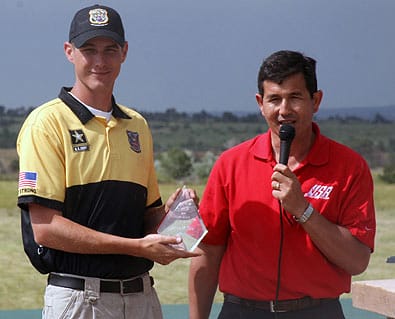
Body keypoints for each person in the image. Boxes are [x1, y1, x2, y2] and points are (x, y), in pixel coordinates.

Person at [17, 4, 198, 319]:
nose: (100, 61)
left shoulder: (137, 126)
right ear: (69, 51)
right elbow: (45, 228)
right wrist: (136, 247)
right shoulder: (46, 123)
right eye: (89, 50)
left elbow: (149, 218)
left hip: (142, 297)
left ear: (125, 52)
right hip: (78, 299)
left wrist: (174, 221)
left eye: (110, 50)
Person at [188, 50, 376, 319]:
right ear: (260, 103)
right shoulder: (231, 164)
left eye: (295, 97)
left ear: (316, 100)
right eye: (274, 99)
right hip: (242, 311)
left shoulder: (350, 167)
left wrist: (303, 209)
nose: (284, 110)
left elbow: (357, 261)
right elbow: (208, 251)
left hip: (317, 311)